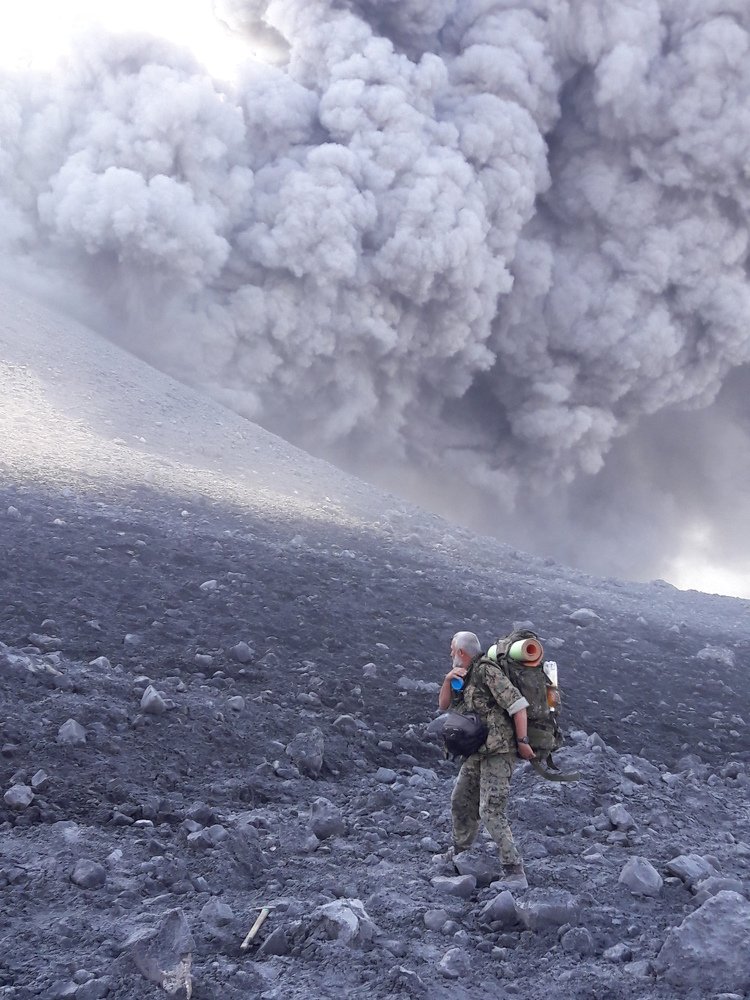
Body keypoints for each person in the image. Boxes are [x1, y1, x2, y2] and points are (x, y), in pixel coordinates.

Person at [438, 630, 535, 888]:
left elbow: (518, 706)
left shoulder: (487, 672)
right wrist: (448, 680)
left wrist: (523, 743)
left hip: (499, 752)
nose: (450, 654)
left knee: (491, 810)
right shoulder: (463, 676)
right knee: (460, 799)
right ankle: (460, 851)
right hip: (478, 751)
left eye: (452, 649)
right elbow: (444, 705)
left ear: (461, 652)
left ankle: (514, 871)